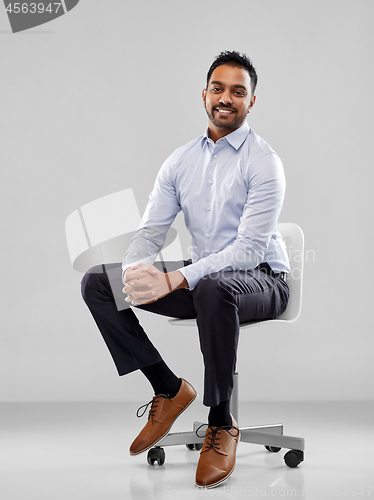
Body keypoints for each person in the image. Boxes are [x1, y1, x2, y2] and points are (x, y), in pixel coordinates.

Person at [81, 50, 290, 489]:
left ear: (253, 102)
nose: (226, 98)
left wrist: (176, 277)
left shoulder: (264, 161)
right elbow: (151, 230)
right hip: (206, 276)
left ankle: (221, 421)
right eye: (218, 88)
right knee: (100, 282)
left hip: (264, 278)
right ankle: (168, 388)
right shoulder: (180, 161)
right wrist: (138, 269)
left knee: (213, 288)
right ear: (204, 95)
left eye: (238, 91)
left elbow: (249, 251)